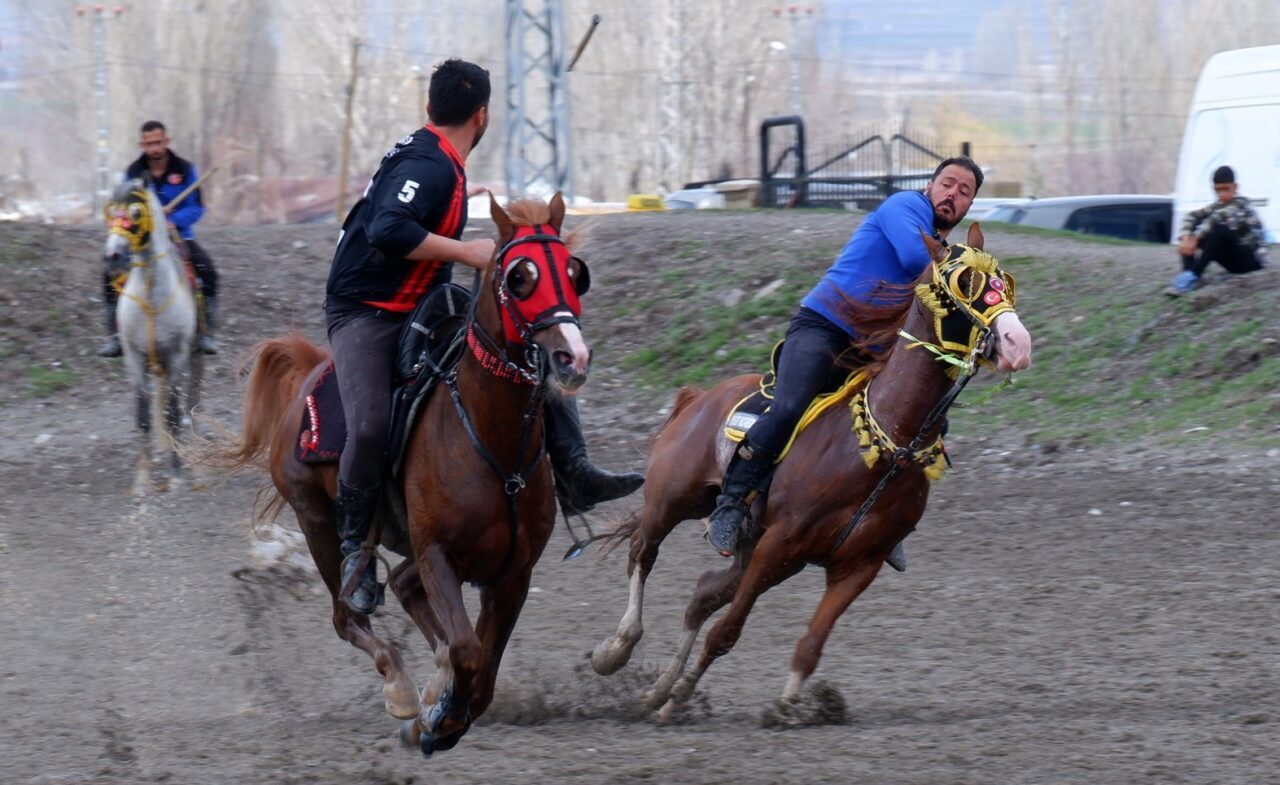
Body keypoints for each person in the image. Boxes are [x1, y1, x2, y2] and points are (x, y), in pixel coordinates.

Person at [324, 59, 642, 614]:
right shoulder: (430, 164)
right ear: (483, 114)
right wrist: (469, 250)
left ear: (430, 108)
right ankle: (355, 547)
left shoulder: (441, 158)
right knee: (370, 424)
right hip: (366, 310)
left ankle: (575, 472)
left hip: (424, 299)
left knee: (518, 349)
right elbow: (386, 230)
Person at [707, 157, 984, 562]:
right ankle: (730, 504)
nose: (952, 195)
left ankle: (887, 518)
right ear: (930, 185)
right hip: (825, 325)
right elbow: (912, 258)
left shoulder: (949, 252)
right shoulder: (905, 207)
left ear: (969, 206)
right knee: (789, 408)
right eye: (947, 183)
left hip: (873, 348)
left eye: (964, 192)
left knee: (923, 421)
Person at [100, 120, 220, 356]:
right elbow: (124, 207)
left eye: (158, 142)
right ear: (142, 144)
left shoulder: (185, 170)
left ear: (166, 142)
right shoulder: (132, 173)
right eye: (149, 143)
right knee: (109, 275)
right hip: (142, 239)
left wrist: (172, 221)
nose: (154, 148)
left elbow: (196, 207)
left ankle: (206, 333)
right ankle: (115, 336)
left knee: (207, 271)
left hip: (178, 235)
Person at [1166, 165, 1268, 296]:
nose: (1222, 194)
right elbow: (1191, 216)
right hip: (1234, 263)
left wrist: (1195, 238)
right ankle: (1188, 273)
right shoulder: (1217, 205)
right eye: (1218, 190)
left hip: (1253, 261)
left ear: (1235, 187)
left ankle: (1194, 274)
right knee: (1194, 227)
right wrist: (1186, 237)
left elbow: (1216, 218)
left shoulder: (1241, 204)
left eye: (1226, 189)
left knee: (1218, 229)